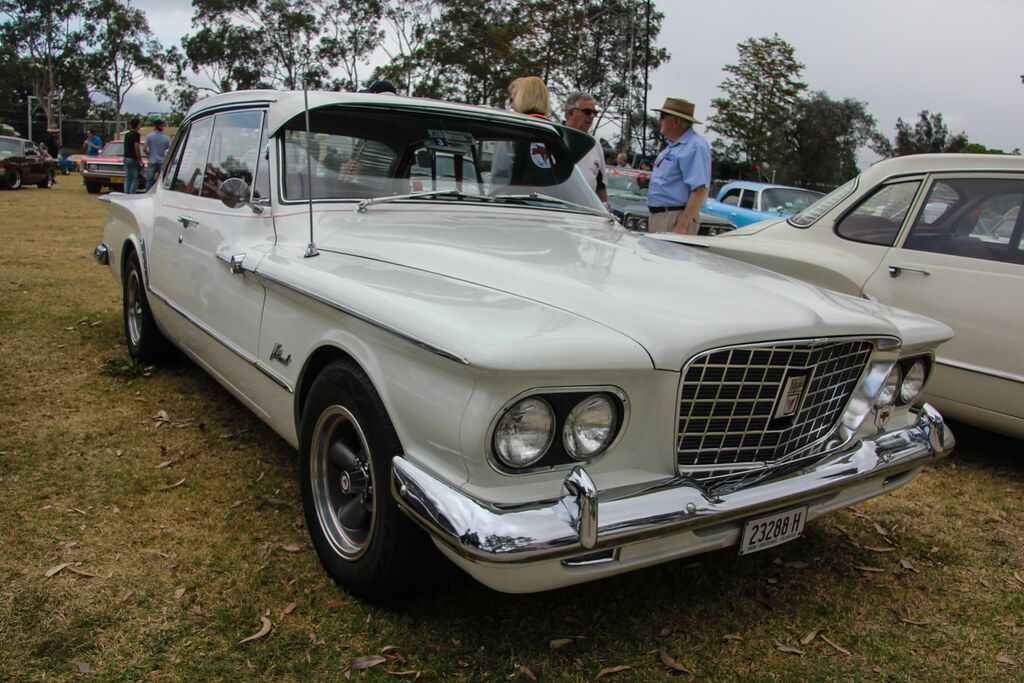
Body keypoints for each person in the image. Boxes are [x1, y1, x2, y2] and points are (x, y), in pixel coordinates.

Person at [646, 97, 711, 235]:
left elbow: (700, 189)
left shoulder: (695, 146)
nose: (660, 120)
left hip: (675, 217)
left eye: (663, 117)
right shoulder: (672, 146)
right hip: (662, 216)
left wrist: (682, 225)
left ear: (676, 121)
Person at [562, 91, 607, 203]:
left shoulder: (595, 145)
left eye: (594, 113)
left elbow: (601, 186)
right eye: (587, 112)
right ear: (571, 112)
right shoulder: (553, 137)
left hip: (585, 213)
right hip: (556, 210)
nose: (592, 116)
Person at [143, 119, 171, 190]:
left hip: (152, 161)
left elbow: (144, 148)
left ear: (155, 126)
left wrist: (149, 154)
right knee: (161, 180)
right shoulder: (167, 138)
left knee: (149, 180)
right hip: (162, 161)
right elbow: (169, 151)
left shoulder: (149, 136)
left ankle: (148, 193)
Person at [122, 118, 143, 194]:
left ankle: (126, 193)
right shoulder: (137, 134)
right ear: (137, 125)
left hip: (125, 157)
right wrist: (140, 159)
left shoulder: (127, 134)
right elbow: (136, 147)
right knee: (135, 178)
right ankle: (132, 194)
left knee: (127, 177)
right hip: (133, 158)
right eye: (139, 124)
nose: (140, 126)